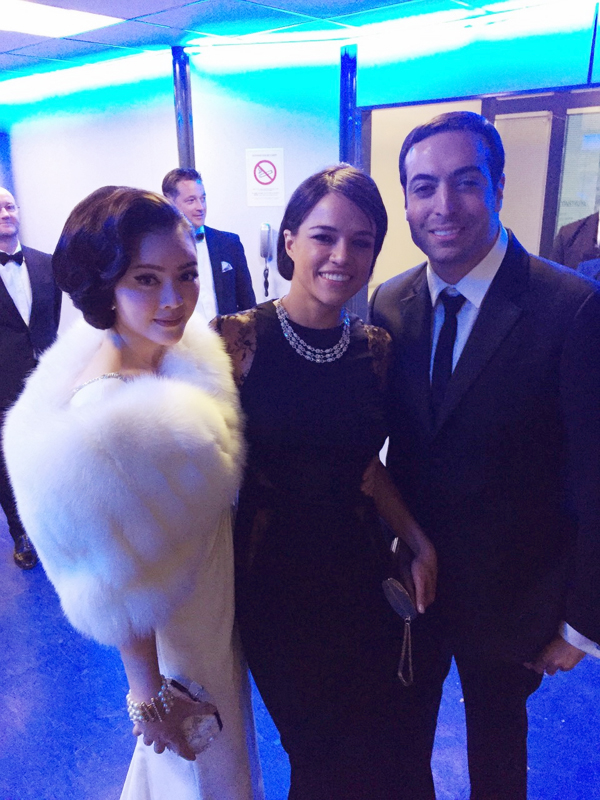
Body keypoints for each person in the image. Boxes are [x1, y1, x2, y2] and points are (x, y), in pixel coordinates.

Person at [3, 187, 263, 800]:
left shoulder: (163, 355)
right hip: (182, 632)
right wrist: (149, 698)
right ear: (105, 284)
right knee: (199, 773)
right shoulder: (110, 416)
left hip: (211, 603)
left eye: (186, 275)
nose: (174, 299)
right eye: (146, 279)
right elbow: (120, 580)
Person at [370, 111, 600, 800]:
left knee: (498, 761)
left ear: (499, 186)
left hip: (517, 596)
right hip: (413, 583)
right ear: (406, 202)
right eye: (424, 187)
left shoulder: (572, 307)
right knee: (399, 746)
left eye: (465, 182)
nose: (443, 205)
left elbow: (596, 475)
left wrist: (583, 622)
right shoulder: (390, 302)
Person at [213, 165, 438, 800]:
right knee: (318, 752)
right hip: (274, 583)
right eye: (324, 237)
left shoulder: (375, 347)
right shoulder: (235, 339)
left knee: (380, 744)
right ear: (289, 241)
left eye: (362, 242)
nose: (342, 256)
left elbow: (368, 467)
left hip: (361, 577)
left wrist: (418, 542)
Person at [0, 186, 61, 570]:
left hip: (46, 379)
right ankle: (20, 532)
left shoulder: (45, 263)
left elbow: (50, 318)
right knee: (7, 460)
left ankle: (55, 524)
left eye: (9, 206)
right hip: (2, 382)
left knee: (52, 452)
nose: (5, 213)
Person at [162, 168, 256, 321]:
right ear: (170, 203)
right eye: (191, 200)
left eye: (203, 198)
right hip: (182, 335)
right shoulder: (159, 250)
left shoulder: (229, 243)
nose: (200, 207)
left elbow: (248, 306)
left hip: (226, 335)